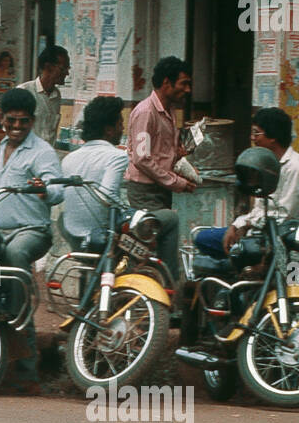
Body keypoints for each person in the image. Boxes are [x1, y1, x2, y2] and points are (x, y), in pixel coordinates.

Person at [0, 88, 66, 393]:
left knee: (14, 254)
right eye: (11, 122)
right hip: (1, 228)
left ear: (33, 121)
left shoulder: (42, 152)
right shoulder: (1, 146)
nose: (17, 128)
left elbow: (58, 190)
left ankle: (18, 318)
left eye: (24, 122)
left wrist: (44, 189)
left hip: (32, 230)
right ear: (2, 119)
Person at [195, 107, 299, 257]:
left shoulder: (296, 168)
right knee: (202, 239)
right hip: (257, 236)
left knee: (292, 278)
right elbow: (258, 210)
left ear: (273, 137)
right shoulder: (266, 164)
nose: (252, 138)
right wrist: (237, 224)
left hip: (285, 245)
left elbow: (283, 216)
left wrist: (245, 225)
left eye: (256, 133)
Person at [123, 56, 194, 274]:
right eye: (183, 83)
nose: (188, 90)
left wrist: (179, 157)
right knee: (141, 246)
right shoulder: (146, 112)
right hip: (144, 191)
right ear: (166, 83)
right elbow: (142, 158)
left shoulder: (169, 111)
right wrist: (176, 182)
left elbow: (160, 153)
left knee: (154, 246)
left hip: (159, 189)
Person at [59, 96, 129, 251]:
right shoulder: (117, 156)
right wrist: (127, 210)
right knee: (168, 219)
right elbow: (107, 196)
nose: (123, 129)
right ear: (109, 130)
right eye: (120, 124)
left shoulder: (69, 158)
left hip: (74, 234)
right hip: (102, 233)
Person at [18, 45, 70, 150]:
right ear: (48, 67)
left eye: (68, 69)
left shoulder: (56, 96)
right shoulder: (24, 91)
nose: (67, 73)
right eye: (63, 68)